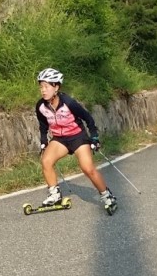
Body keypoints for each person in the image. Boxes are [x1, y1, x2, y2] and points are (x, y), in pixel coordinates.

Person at [35, 68, 117, 212]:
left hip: (78, 137)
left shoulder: (69, 102)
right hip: (60, 139)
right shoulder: (41, 106)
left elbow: (88, 118)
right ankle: (54, 195)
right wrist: (43, 141)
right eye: (41, 87)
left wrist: (94, 137)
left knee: (87, 168)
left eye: (46, 86)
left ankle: (107, 195)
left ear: (56, 87)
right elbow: (43, 125)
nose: (43, 90)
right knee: (46, 161)